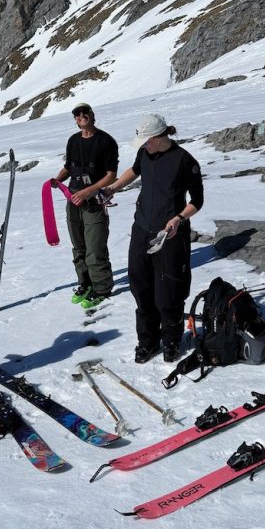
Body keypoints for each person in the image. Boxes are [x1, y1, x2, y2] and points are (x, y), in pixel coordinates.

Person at [106, 113, 203, 363]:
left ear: (159, 137)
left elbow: (197, 200)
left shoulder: (184, 160)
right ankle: (147, 341)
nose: (144, 146)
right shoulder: (145, 154)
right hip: (141, 229)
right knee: (141, 288)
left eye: (146, 141)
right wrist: (112, 188)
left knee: (168, 293)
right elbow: (134, 171)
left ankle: (171, 340)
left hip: (170, 234)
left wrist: (178, 219)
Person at [52, 103, 119, 310]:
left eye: (84, 113)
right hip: (73, 199)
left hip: (94, 200)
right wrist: (57, 180)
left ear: (92, 115)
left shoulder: (106, 141)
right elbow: (68, 167)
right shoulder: (73, 140)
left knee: (95, 246)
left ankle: (102, 288)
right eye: (77, 115)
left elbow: (111, 175)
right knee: (78, 245)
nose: (81, 117)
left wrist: (89, 191)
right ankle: (85, 283)